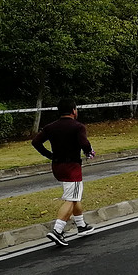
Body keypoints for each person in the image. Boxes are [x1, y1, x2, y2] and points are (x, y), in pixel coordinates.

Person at [31, 98, 96, 246]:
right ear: (74, 111)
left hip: (57, 166)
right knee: (71, 198)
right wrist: (89, 152)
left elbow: (35, 142)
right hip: (72, 166)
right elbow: (84, 143)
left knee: (74, 195)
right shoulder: (78, 127)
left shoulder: (50, 127)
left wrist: (49, 155)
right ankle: (57, 231)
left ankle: (81, 225)